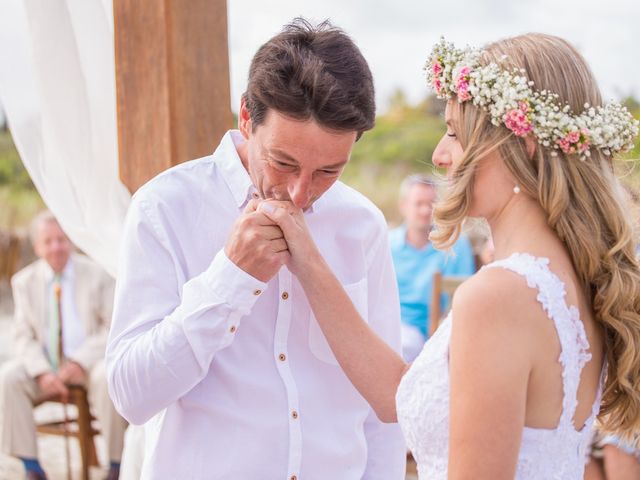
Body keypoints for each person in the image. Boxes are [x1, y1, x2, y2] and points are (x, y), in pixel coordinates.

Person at [258, 33, 640, 479]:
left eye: (456, 134)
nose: (439, 155)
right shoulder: (572, 281)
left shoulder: (498, 297)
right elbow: (397, 395)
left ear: (524, 147)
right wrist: (306, 255)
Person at [106, 18, 405, 479]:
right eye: (283, 162)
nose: (302, 193)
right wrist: (230, 277)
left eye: (328, 171)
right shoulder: (164, 208)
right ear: (247, 117)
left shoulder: (363, 226)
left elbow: (382, 416)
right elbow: (132, 396)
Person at [0, 211, 126, 480]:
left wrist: (80, 361)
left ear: (70, 240)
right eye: (48, 241)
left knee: (108, 377)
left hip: (89, 365)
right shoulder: (23, 282)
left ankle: (116, 465)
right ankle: (31, 467)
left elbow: (112, 327)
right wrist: (43, 371)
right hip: (46, 367)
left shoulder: (97, 273)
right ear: (36, 246)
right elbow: (22, 335)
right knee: (8, 378)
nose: (56, 247)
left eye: (61, 239)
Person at [389, 174, 475, 361]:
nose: (425, 210)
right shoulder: (388, 244)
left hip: (437, 334)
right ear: (403, 206)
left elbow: (463, 296)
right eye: (418, 203)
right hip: (393, 329)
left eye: (432, 203)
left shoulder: (455, 244)